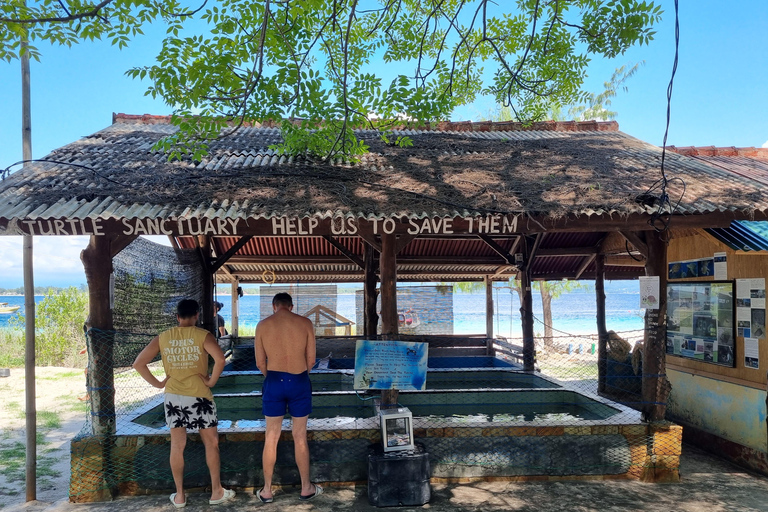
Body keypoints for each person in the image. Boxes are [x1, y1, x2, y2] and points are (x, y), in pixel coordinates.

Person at [133, 299, 236, 508]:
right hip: (200, 397)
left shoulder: (163, 337)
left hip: (174, 398)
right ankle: (216, 491)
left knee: (177, 446)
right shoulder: (202, 335)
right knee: (211, 443)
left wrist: (159, 383)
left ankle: (180, 496)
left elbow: (139, 363)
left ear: (177, 317)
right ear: (197, 315)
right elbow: (220, 359)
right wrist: (211, 381)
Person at [254, 292, 321, 502]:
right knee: (299, 436)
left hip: (273, 380)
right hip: (299, 380)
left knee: (271, 437)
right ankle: (306, 488)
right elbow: (311, 360)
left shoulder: (262, 325)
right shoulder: (305, 323)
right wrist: (299, 377)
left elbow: (259, 363)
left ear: (274, 306)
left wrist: (272, 378)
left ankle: (266, 490)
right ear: (291, 307)